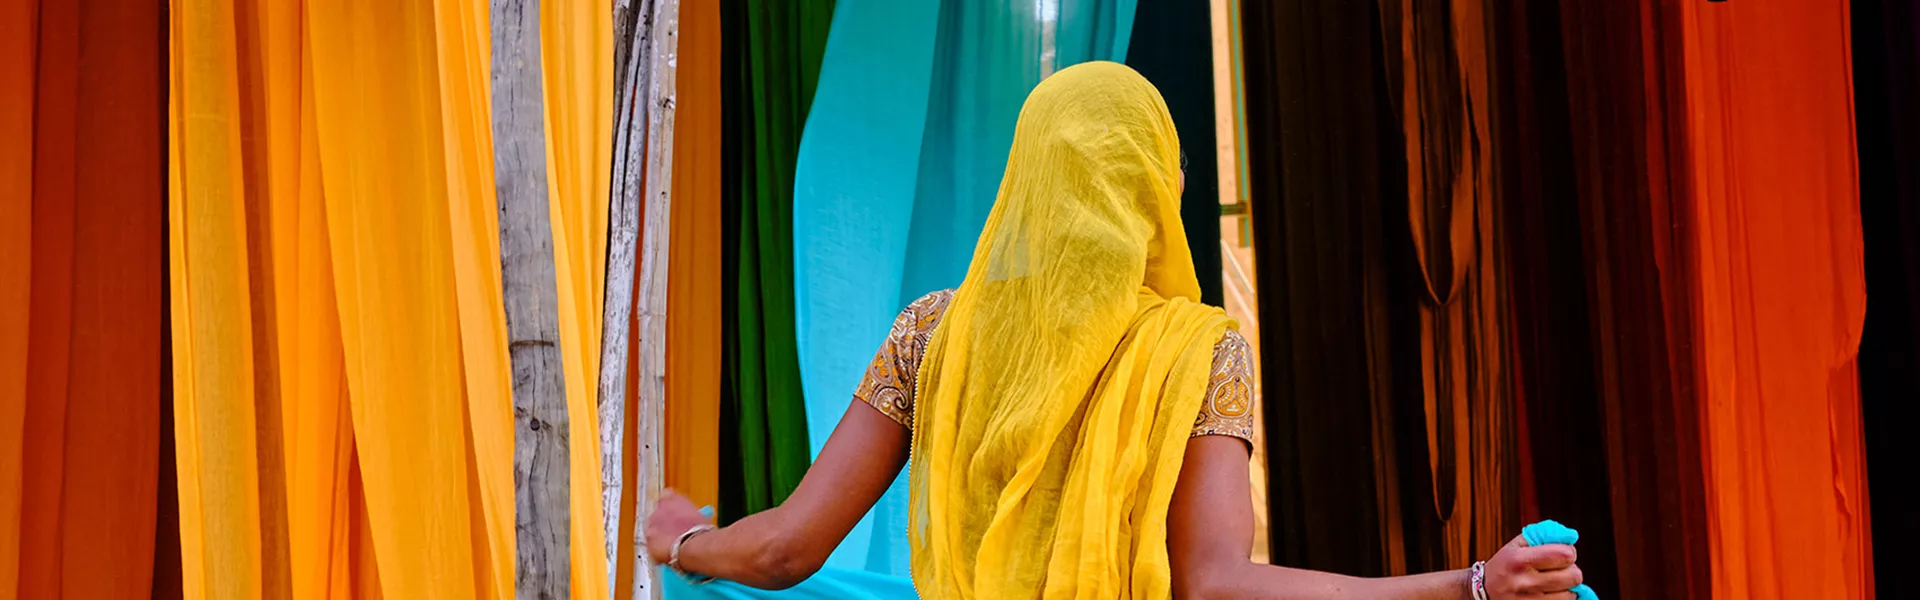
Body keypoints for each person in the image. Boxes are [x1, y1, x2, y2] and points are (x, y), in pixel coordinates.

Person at [646, 61, 1586, 599]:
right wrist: (1466, 585)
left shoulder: (931, 337)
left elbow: (783, 551)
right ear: (1153, 193)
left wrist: (684, 544)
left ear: (1027, 182)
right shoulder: (1197, 349)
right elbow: (1214, 586)